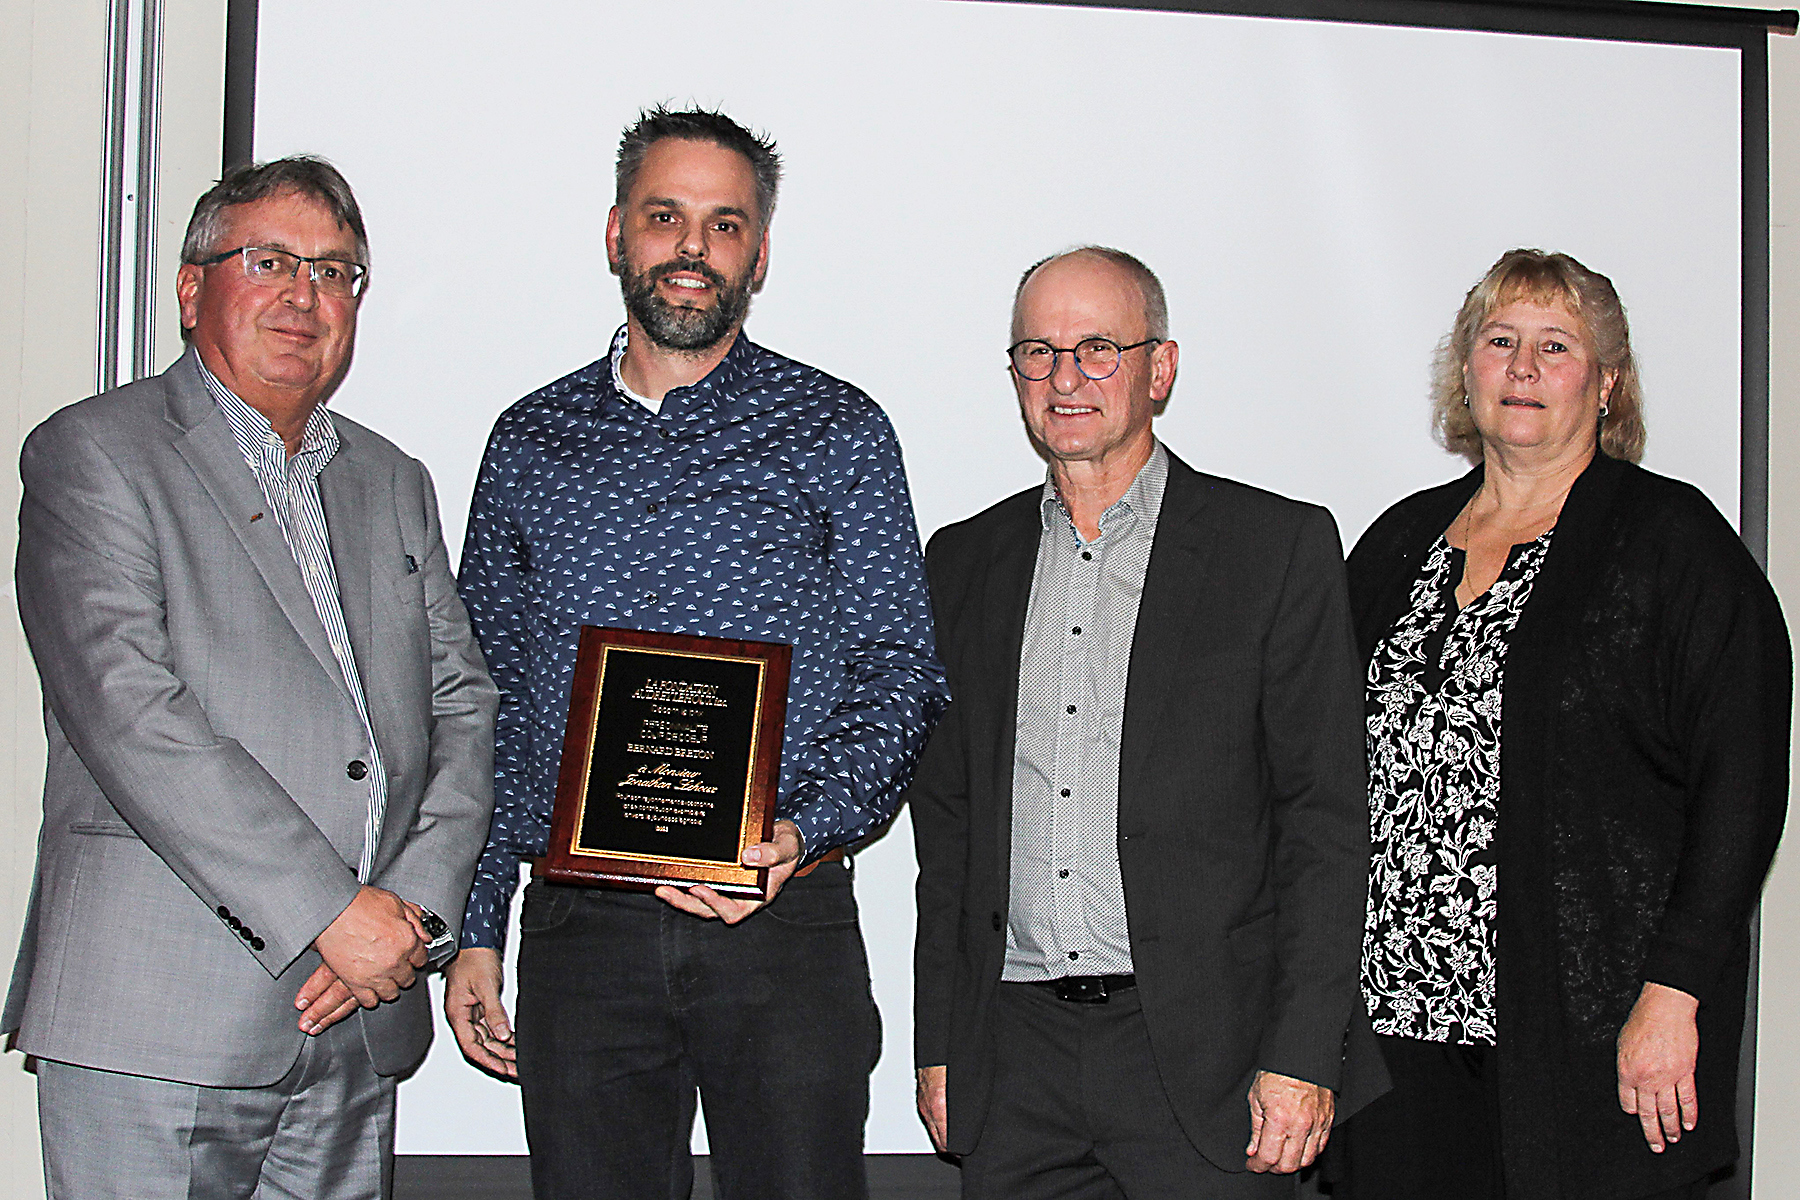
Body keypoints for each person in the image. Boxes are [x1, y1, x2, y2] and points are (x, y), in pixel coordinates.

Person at [444, 107, 948, 1200]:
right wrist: (477, 924)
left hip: (782, 920)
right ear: (617, 231)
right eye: (666, 216)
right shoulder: (530, 442)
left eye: (725, 225)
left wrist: (800, 830)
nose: (692, 248)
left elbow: (899, 666)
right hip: (583, 930)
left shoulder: (835, 429)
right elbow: (482, 699)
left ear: (759, 255)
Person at [6, 156, 498, 1199]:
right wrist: (333, 912)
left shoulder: (392, 480)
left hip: (359, 1017)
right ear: (193, 289)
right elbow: (134, 717)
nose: (302, 296)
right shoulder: (93, 455)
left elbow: (463, 704)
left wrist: (405, 915)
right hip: (158, 1018)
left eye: (335, 272)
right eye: (269, 261)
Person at [909, 246, 1372, 1199]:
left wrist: (1304, 1051)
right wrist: (943, 1041)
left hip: (1212, 1062)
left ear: (1160, 369)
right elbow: (947, 832)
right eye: (1037, 352)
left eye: (1098, 348)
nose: (1064, 377)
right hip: (1017, 1056)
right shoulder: (964, 562)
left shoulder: (1274, 550)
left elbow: (1324, 822)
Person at [1330, 248, 1790, 1200]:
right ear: (1467, 371)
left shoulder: (1673, 543)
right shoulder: (1394, 545)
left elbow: (1741, 782)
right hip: (1395, 1041)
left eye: (1556, 345)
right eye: (1500, 342)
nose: (1524, 368)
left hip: (1588, 1036)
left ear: (1608, 381)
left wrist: (1677, 989)